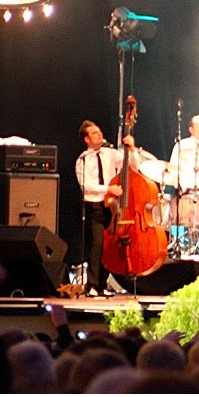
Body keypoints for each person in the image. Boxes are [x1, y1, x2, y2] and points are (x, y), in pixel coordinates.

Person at [75, 120, 142, 296]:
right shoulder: (83, 160)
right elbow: (86, 186)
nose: (99, 134)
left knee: (109, 245)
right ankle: (92, 285)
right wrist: (108, 189)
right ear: (87, 139)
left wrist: (132, 149)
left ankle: (102, 284)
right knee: (97, 244)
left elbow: (133, 166)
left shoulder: (110, 154)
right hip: (95, 205)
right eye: (94, 133)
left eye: (99, 131)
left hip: (112, 206)